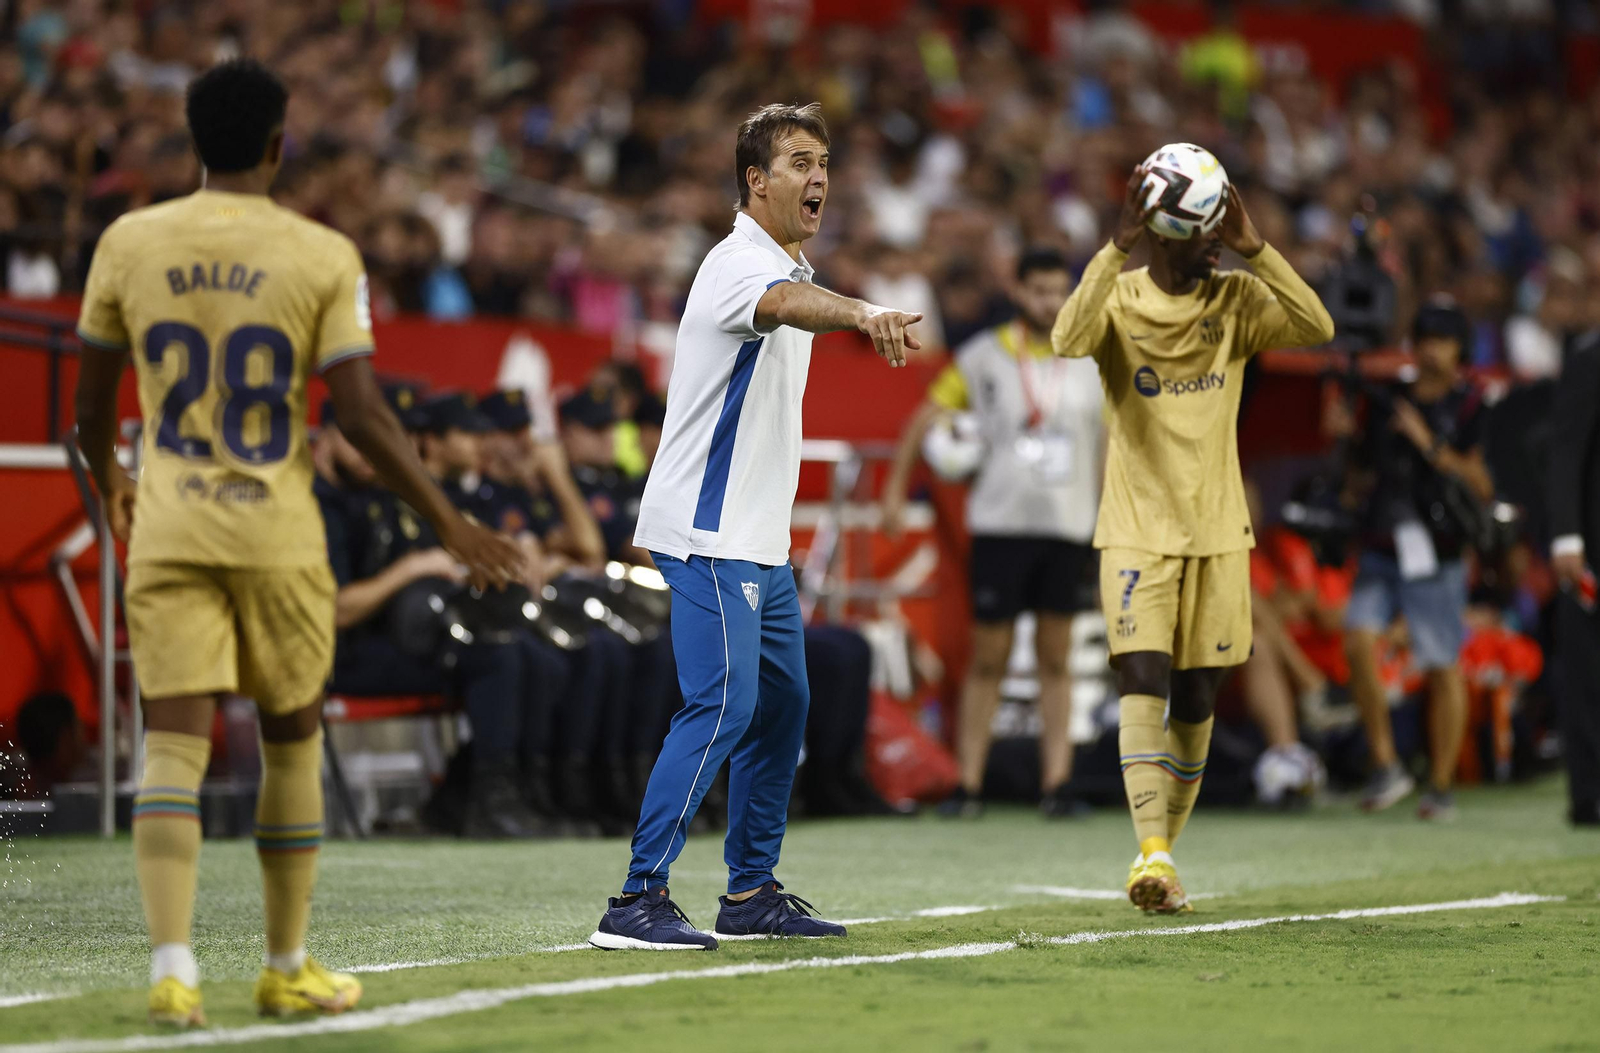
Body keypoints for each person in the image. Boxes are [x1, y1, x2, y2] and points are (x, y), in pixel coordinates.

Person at [71, 60, 520, 1026]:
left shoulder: (128, 242)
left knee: (176, 747)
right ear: (279, 144)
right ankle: (284, 965)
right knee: (288, 740)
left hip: (174, 523)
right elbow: (358, 413)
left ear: (195, 142)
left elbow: (87, 407)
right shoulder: (322, 253)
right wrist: (449, 518)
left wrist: (111, 481)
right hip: (277, 534)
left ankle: (173, 969)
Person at [588, 102, 921, 950]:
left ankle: (750, 892)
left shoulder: (786, 260)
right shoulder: (739, 263)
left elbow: (793, 291)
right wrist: (859, 313)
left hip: (758, 539)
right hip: (708, 530)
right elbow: (782, 304)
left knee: (784, 706)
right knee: (725, 701)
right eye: (800, 161)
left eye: (824, 162)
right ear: (755, 180)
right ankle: (636, 897)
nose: (818, 177)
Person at [1051, 165, 1334, 913]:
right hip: (1137, 529)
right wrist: (1115, 246)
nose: (1218, 247)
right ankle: (1151, 852)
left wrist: (1258, 247)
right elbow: (1065, 335)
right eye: (1207, 235)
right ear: (1169, 235)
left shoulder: (1237, 298)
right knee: (1141, 675)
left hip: (1217, 532)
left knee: (1199, 696)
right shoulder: (1119, 296)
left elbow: (1318, 327)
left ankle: (1163, 855)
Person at [882, 247, 1104, 820]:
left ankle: (1057, 784)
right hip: (1002, 526)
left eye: (1058, 290)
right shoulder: (983, 356)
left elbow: (1112, 444)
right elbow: (923, 419)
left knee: (1056, 658)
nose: (1048, 302)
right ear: (1017, 291)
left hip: (1068, 527)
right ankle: (968, 785)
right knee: (989, 659)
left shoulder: (1090, 357)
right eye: (1038, 290)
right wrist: (894, 490)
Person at [314, 392, 559, 841]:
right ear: (326, 438)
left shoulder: (380, 497)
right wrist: (408, 569)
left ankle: (508, 794)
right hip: (342, 658)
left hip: (400, 644)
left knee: (532, 654)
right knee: (498, 660)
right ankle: (486, 803)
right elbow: (334, 611)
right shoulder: (320, 505)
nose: (377, 454)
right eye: (359, 440)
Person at [1339, 302, 1493, 820]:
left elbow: (1484, 483)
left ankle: (1442, 784)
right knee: (1358, 637)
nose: (1431, 349)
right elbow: (1361, 471)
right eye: (1425, 337)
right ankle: (1387, 764)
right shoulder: (1388, 401)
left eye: (1443, 340)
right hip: (1384, 545)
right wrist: (1340, 431)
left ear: (1459, 349)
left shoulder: (1472, 405)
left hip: (1439, 552)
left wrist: (1431, 447)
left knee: (1441, 664)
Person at [1544, 330, 1600, 827]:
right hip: (1592, 549)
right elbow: (1567, 449)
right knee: (1588, 672)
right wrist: (1566, 535)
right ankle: (1589, 796)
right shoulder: (1591, 357)